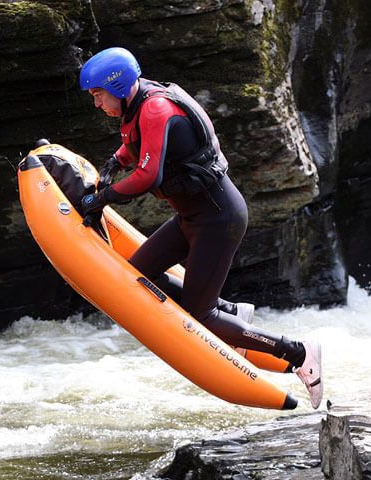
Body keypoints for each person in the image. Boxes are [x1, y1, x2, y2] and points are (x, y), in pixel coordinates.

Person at [77, 47, 323, 409]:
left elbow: (149, 175)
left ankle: (300, 353)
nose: (96, 104)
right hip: (192, 217)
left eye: (98, 95)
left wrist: (104, 198)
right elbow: (139, 146)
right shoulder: (138, 103)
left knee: (200, 316)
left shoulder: (156, 108)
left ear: (116, 84)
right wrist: (115, 161)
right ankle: (232, 313)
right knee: (138, 275)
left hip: (218, 219)